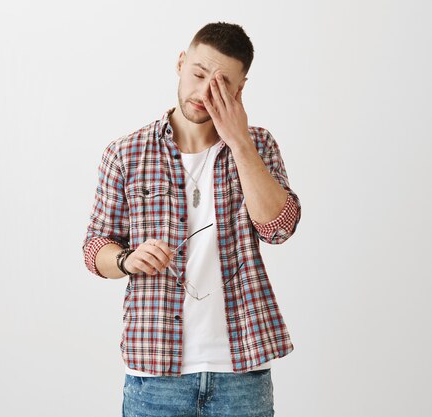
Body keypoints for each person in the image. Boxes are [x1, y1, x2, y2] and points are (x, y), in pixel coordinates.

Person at [82, 21, 301, 417]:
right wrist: (125, 260)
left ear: (240, 90)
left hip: (242, 373)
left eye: (220, 85)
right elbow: (95, 247)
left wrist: (238, 142)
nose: (203, 93)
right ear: (181, 63)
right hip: (155, 376)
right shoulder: (126, 154)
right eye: (198, 74)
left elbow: (279, 228)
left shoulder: (259, 145)